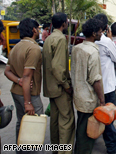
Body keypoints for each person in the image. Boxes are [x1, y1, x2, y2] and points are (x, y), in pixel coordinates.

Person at [72, 19, 116, 153]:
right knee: (95, 124)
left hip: (79, 94)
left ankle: (80, 149)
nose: (101, 33)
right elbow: (96, 79)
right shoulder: (93, 51)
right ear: (93, 33)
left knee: (82, 125)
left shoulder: (77, 48)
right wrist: (102, 100)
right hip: (91, 95)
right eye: (99, 31)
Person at [4, 18, 43, 149]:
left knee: (21, 123)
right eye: (38, 29)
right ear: (33, 30)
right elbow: (27, 76)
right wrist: (28, 103)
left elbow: (7, 71)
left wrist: (18, 80)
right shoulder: (33, 48)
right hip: (29, 95)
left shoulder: (16, 47)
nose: (39, 31)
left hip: (16, 92)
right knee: (35, 126)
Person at [43, 13, 75, 153]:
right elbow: (58, 67)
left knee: (55, 121)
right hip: (60, 87)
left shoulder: (49, 38)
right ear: (63, 23)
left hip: (50, 87)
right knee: (67, 120)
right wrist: (67, 86)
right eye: (67, 21)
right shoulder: (60, 39)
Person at [94, 14, 116, 153]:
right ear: (106, 27)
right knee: (108, 118)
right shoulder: (106, 41)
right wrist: (111, 39)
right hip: (106, 86)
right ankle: (113, 148)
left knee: (95, 114)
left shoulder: (91, 40)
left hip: (93, 85)